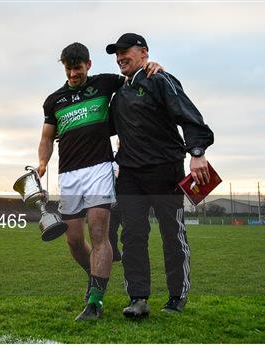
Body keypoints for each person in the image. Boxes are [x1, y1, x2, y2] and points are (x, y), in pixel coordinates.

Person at [38, 42, 162, 320]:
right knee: (73, 240)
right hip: (68, 175)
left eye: (78, 68)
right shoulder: (53, 100)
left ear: (88, 65)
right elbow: (46, 138)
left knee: (98, 234)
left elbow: (134, 78)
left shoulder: (105, 84)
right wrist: (43, 162)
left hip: (98, 169)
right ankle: (94, 276)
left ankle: (95, 301)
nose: (73, 74)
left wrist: (152, 66)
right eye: (68, 69)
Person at [106, 33, 214, 317]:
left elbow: (188, 114)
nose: (119, 57)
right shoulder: (118, 94)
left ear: (144, 52)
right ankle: (138, 299)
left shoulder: (159, 79)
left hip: (164, 169)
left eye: (124, 51)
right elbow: (103, 128)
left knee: (171, 234)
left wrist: (198, 152)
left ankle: (176, 297)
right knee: (132, 236)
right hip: (129, 173)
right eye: (116, 54)